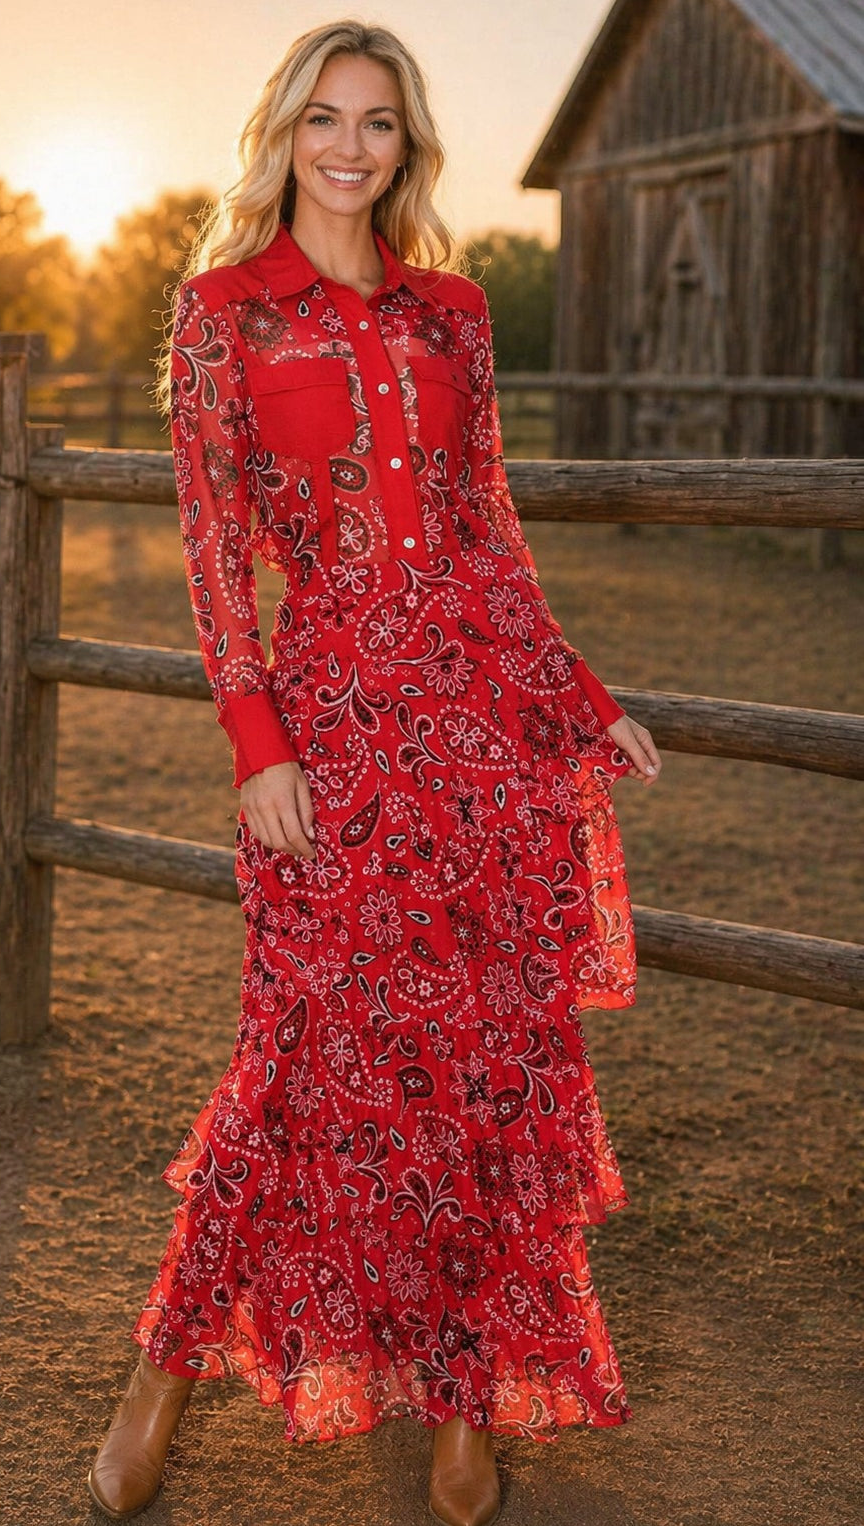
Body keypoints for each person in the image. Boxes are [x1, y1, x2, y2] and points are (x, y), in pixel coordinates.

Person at [88, 18, 660, 1526]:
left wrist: (575, 699)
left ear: (408, 146)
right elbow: (218, 568)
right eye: (324, 118)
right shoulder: (224, 317)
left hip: (473, 735)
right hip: (330, 730)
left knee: (483, 1060)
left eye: (380, 124)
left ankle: (468, 1397)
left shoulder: (453, 314)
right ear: (281, 133)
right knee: (294, 1051)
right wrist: (258, 742)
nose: (350, 146)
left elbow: (492, 538)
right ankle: (165, 1360)